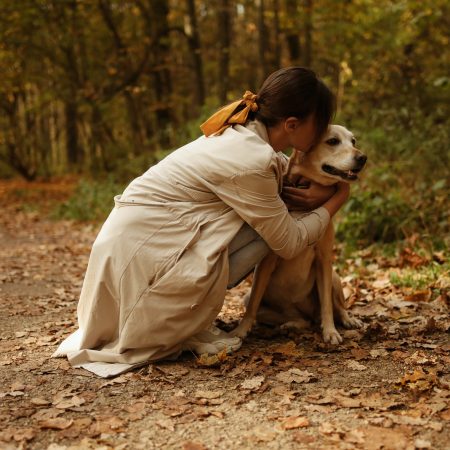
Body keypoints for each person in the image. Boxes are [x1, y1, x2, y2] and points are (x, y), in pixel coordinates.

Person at [53, 67, 349, 377]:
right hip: (143, 262)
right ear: (292, 124)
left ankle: (185, 315)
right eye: (321, 127)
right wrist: (338, 196)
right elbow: (287, 243)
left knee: (270, 216)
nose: (322, 134)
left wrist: (319, 186)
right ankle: (176, 320)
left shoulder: (241, 134)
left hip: (130, 250)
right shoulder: (253, 159)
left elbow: (281, 177)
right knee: (273, 229)